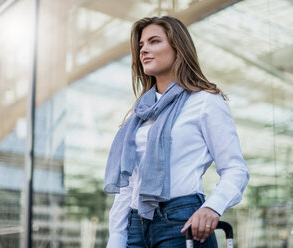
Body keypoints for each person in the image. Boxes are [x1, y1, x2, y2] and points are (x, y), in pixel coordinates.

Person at [104, 16, 249, 248]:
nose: (144, 50)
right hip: (135, 226)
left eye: (154, 41)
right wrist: (117, 238)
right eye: (141, 45)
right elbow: (129, 186)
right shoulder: (139, 114)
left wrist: (213, 206)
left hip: (181, 221)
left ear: (178, 48)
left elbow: (235, 169)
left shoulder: (204, 101)